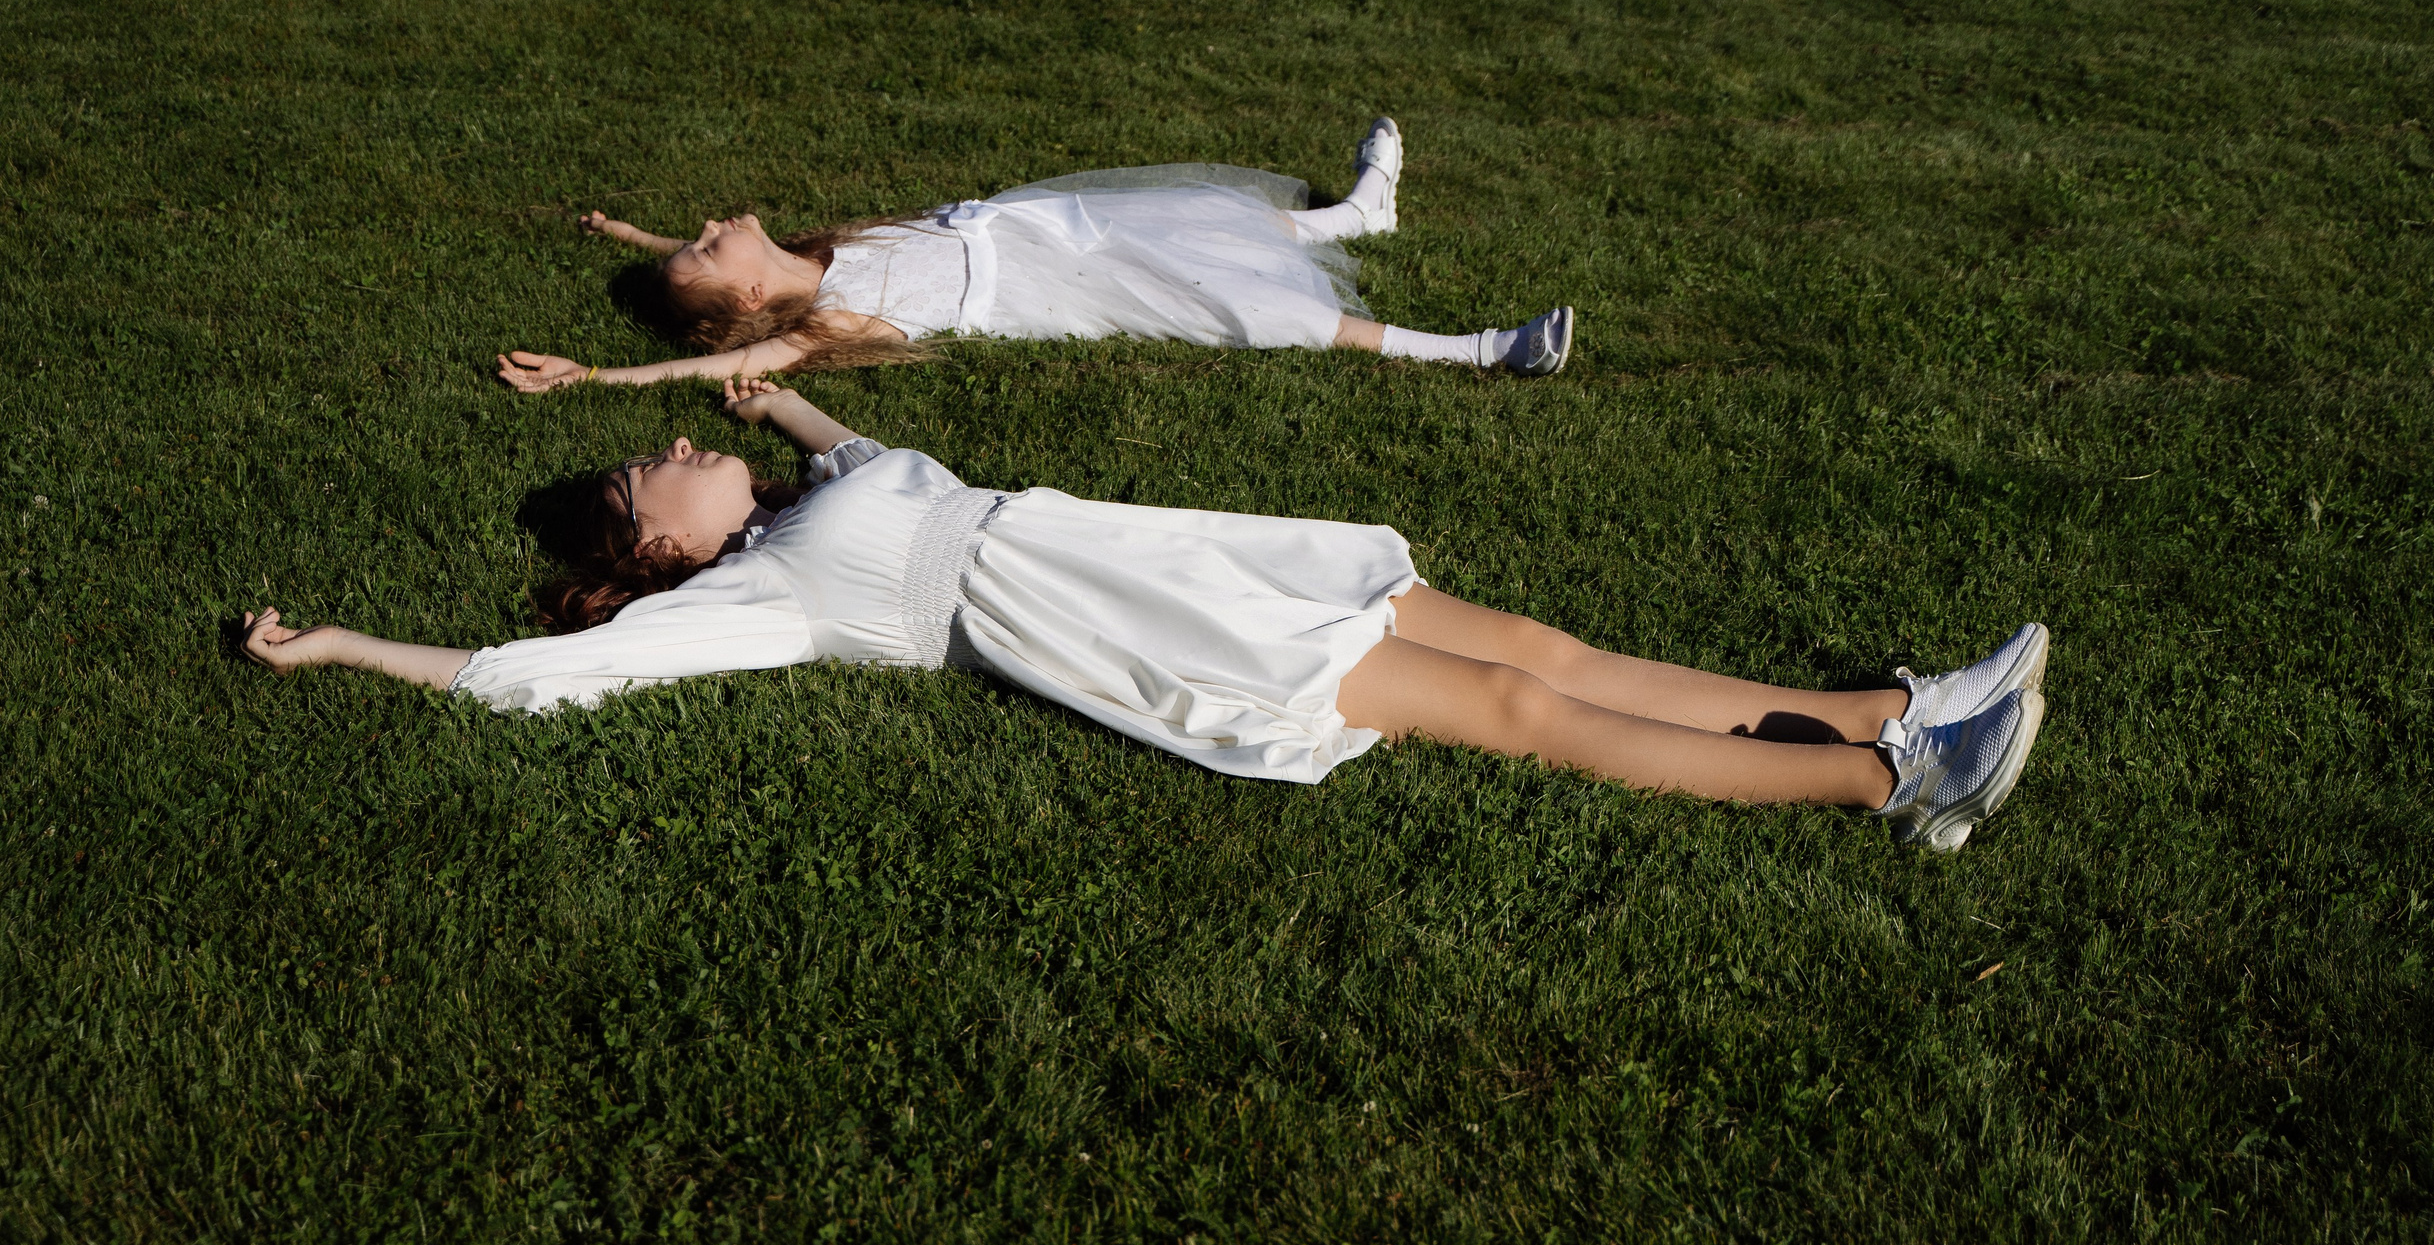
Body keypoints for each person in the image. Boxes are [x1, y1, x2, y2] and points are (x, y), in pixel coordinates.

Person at [240, 382, 2050, 849]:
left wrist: (769, 404)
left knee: (1544, 651)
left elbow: (882, 449)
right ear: (670, 557)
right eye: (649, 482)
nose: (662, 456)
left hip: (1182, 556)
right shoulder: (770, 591)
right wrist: (341, 648)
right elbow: (532, 675)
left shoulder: (803, 497)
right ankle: (1894, 778)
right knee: (1521, 714)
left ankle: (1875, 699)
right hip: (1149, 627)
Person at [494, 120, 1576, 391]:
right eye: (698, 244)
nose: (708, 221)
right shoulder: (827, 323)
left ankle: (1354, 218)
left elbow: (697, 286)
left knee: (1215, 225)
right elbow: (727, 365)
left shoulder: (821, 255)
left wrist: (632, 239)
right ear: (741, 288)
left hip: (1055, 226)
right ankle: (1478, 348)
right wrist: (598, 374)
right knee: (1250, 305)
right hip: (1065, 282)